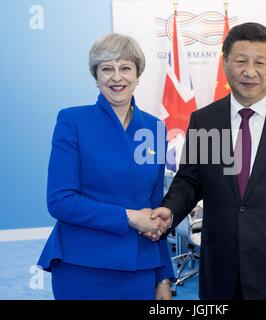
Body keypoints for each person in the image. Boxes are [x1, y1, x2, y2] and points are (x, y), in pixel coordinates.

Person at [151, 22, 266, 300]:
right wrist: (170, 210)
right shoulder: (206, 119)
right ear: (225, 63)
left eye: (260, 62)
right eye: (240, 61)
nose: (250, 71)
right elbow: (191, 181)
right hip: (221, 268)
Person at [37, 33, 174, 300]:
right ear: (96, 76)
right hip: (83, 265)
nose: (116, 77)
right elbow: (60, 201)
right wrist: (129, 216)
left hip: (141, 267)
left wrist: (163, 276)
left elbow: (155, 208)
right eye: (107, 69)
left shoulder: (155, 127)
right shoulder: (73, 121)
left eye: (125, 68)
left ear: (137, 74)